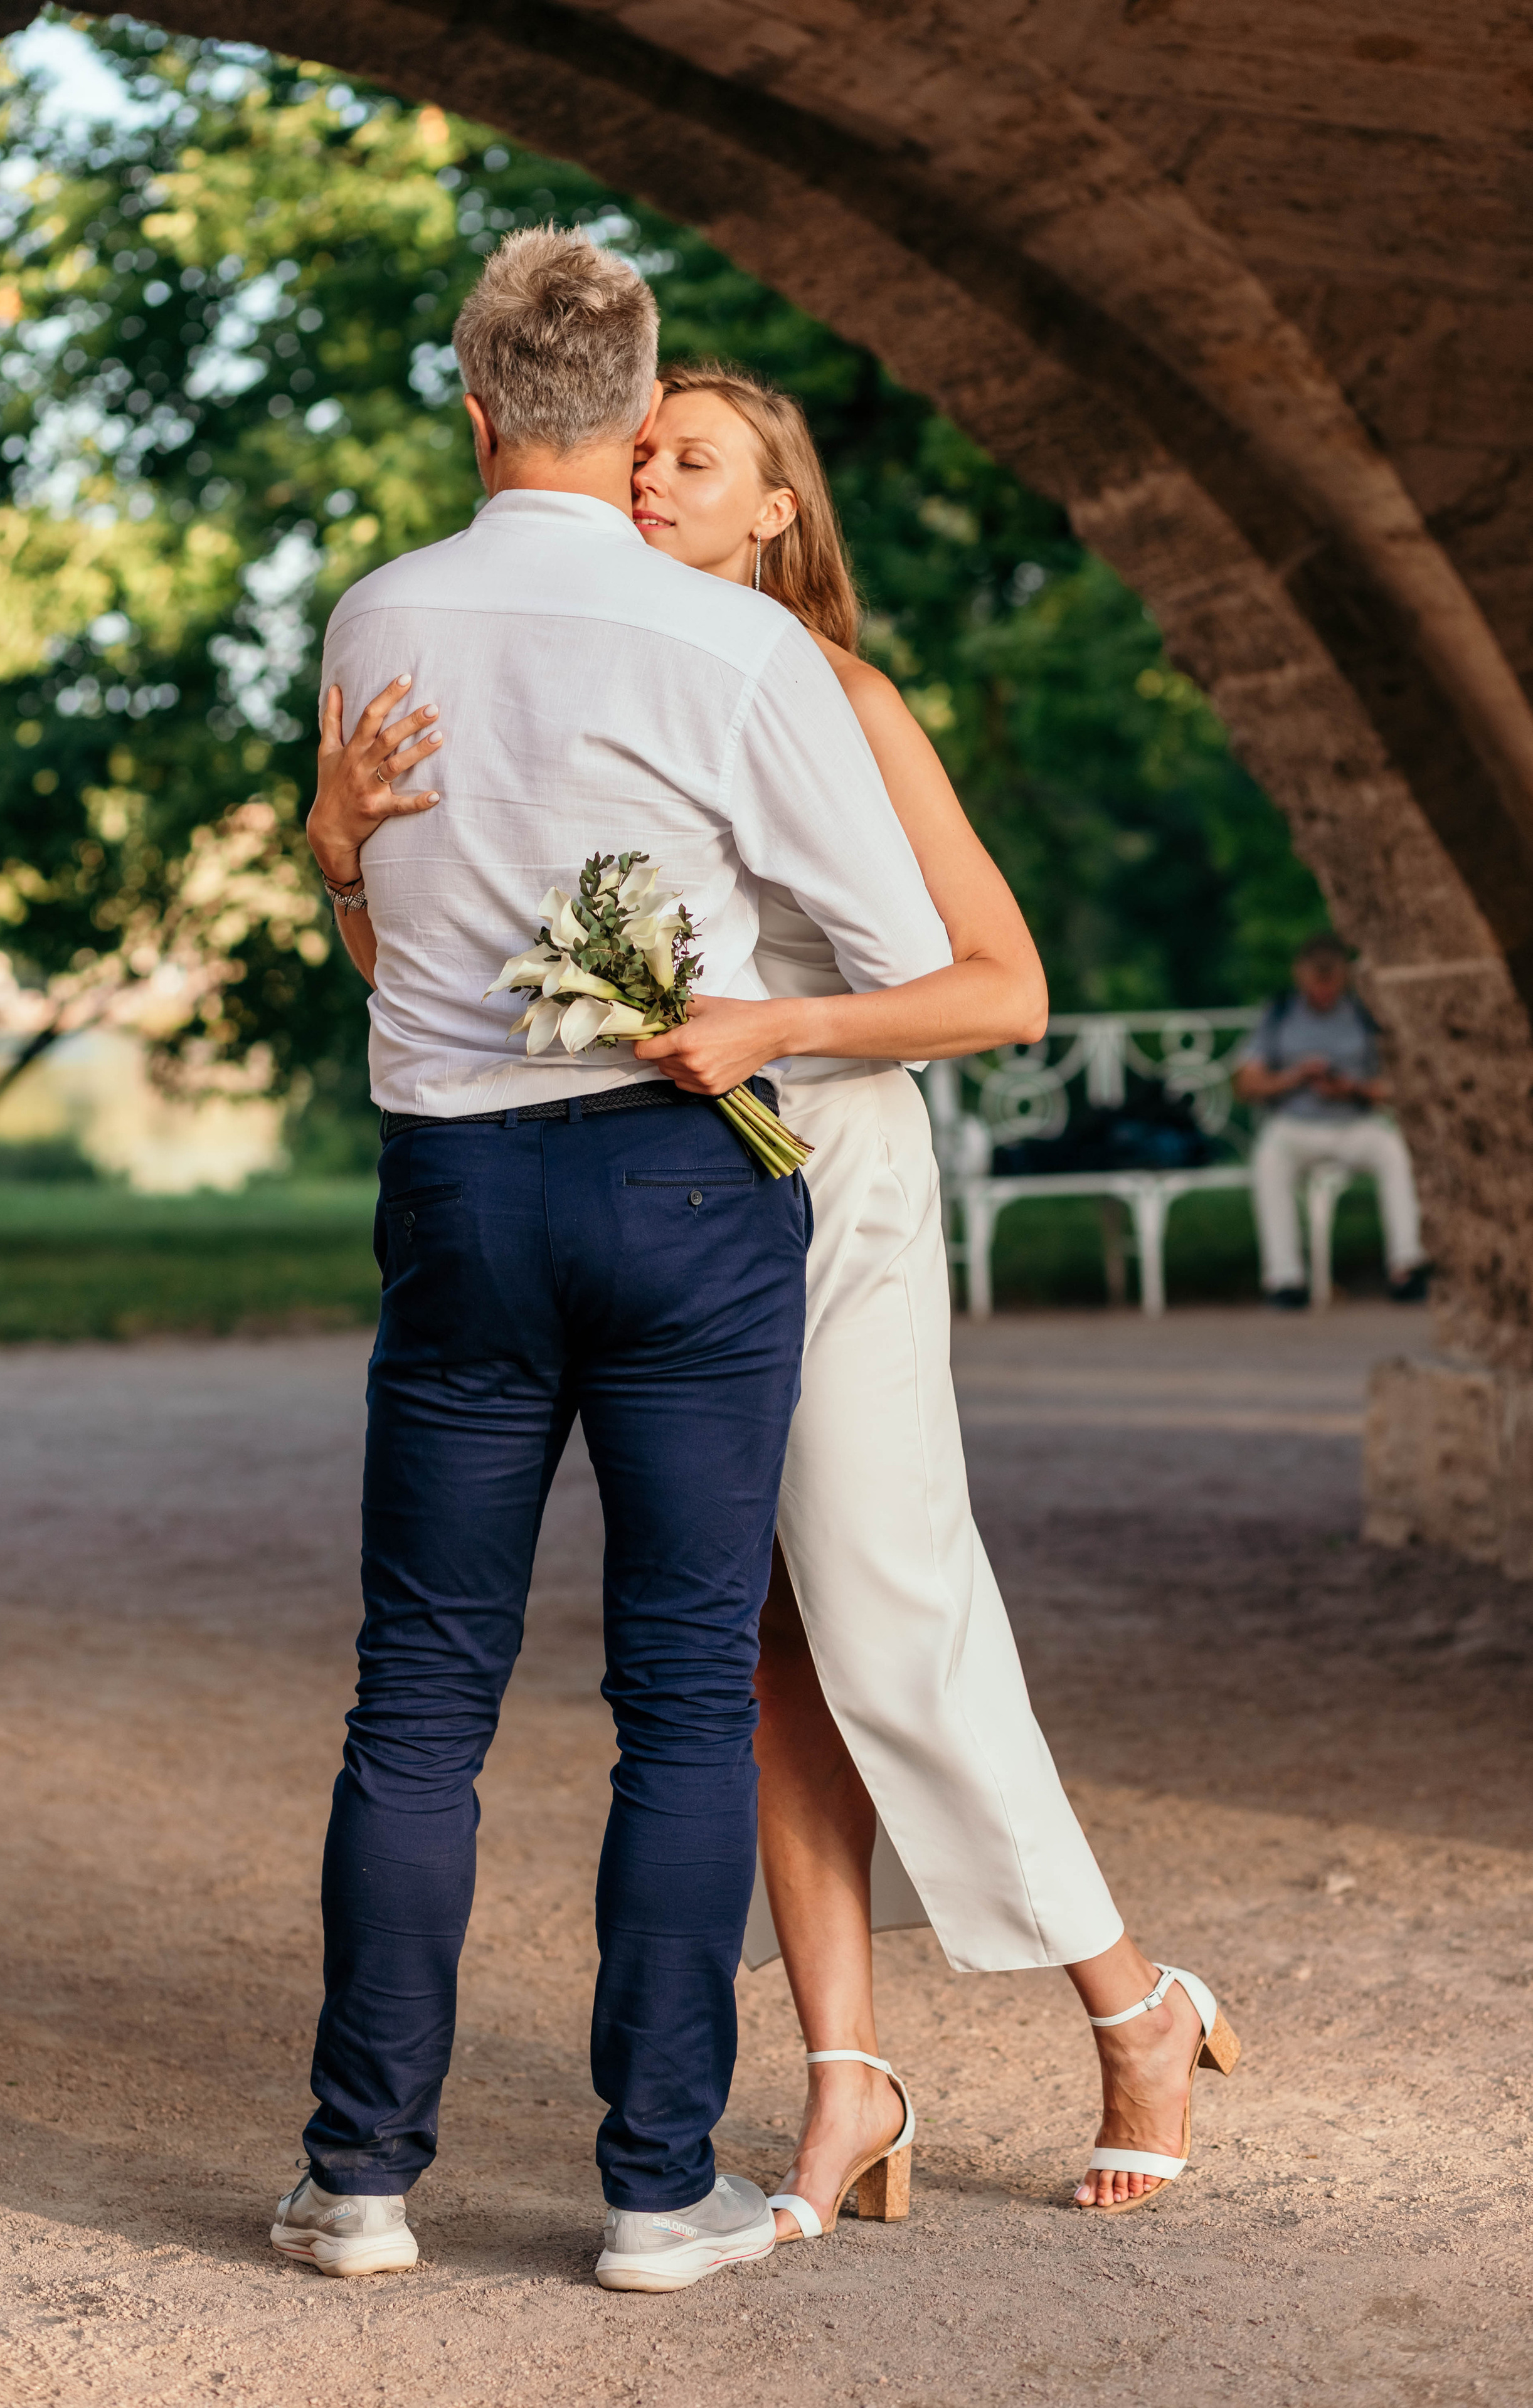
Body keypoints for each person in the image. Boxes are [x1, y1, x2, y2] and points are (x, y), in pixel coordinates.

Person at [318, 355, 1242, 2227]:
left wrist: (773, 1021)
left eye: (697, 460)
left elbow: (1002, 988)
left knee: (886, 1614)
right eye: (639, 449)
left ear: (774, 511)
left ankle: (1130, 1996)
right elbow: (428, 970)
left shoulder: (831, 686)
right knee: (751, 1654)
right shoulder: (592, 685)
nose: (649, 476)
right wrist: (351, 852)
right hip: (668, 1185)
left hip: (829, 1167)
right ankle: (845, 2080)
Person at [276, 231, 956, 2294]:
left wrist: (329, 850)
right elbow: (903, 962)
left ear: (474, 405)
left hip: (461, 1198)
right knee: (678, 1708)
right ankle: (659, 2192)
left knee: (416, 1707)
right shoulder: (734, 651)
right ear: (637, 393)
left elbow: (395, 972)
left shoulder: (375, 616)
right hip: (684, 1201)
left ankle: (358, 2187)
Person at [1235, 934, 1428, 1308]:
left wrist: (1352, 1089)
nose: (1324, 990)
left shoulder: (1363, 1015)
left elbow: (1399, 1084)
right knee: (1269, 1161)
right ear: (1300, 976)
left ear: (1344, 977)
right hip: (1295, 1123)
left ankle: (1406, 1265)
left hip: (1354, 1122)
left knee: (1395, 1152)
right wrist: (1294, 1076)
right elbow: (1245, 1083)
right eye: (1316, 980)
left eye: (1331, 980)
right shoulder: (1279, 1014)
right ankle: (1284, 1279)